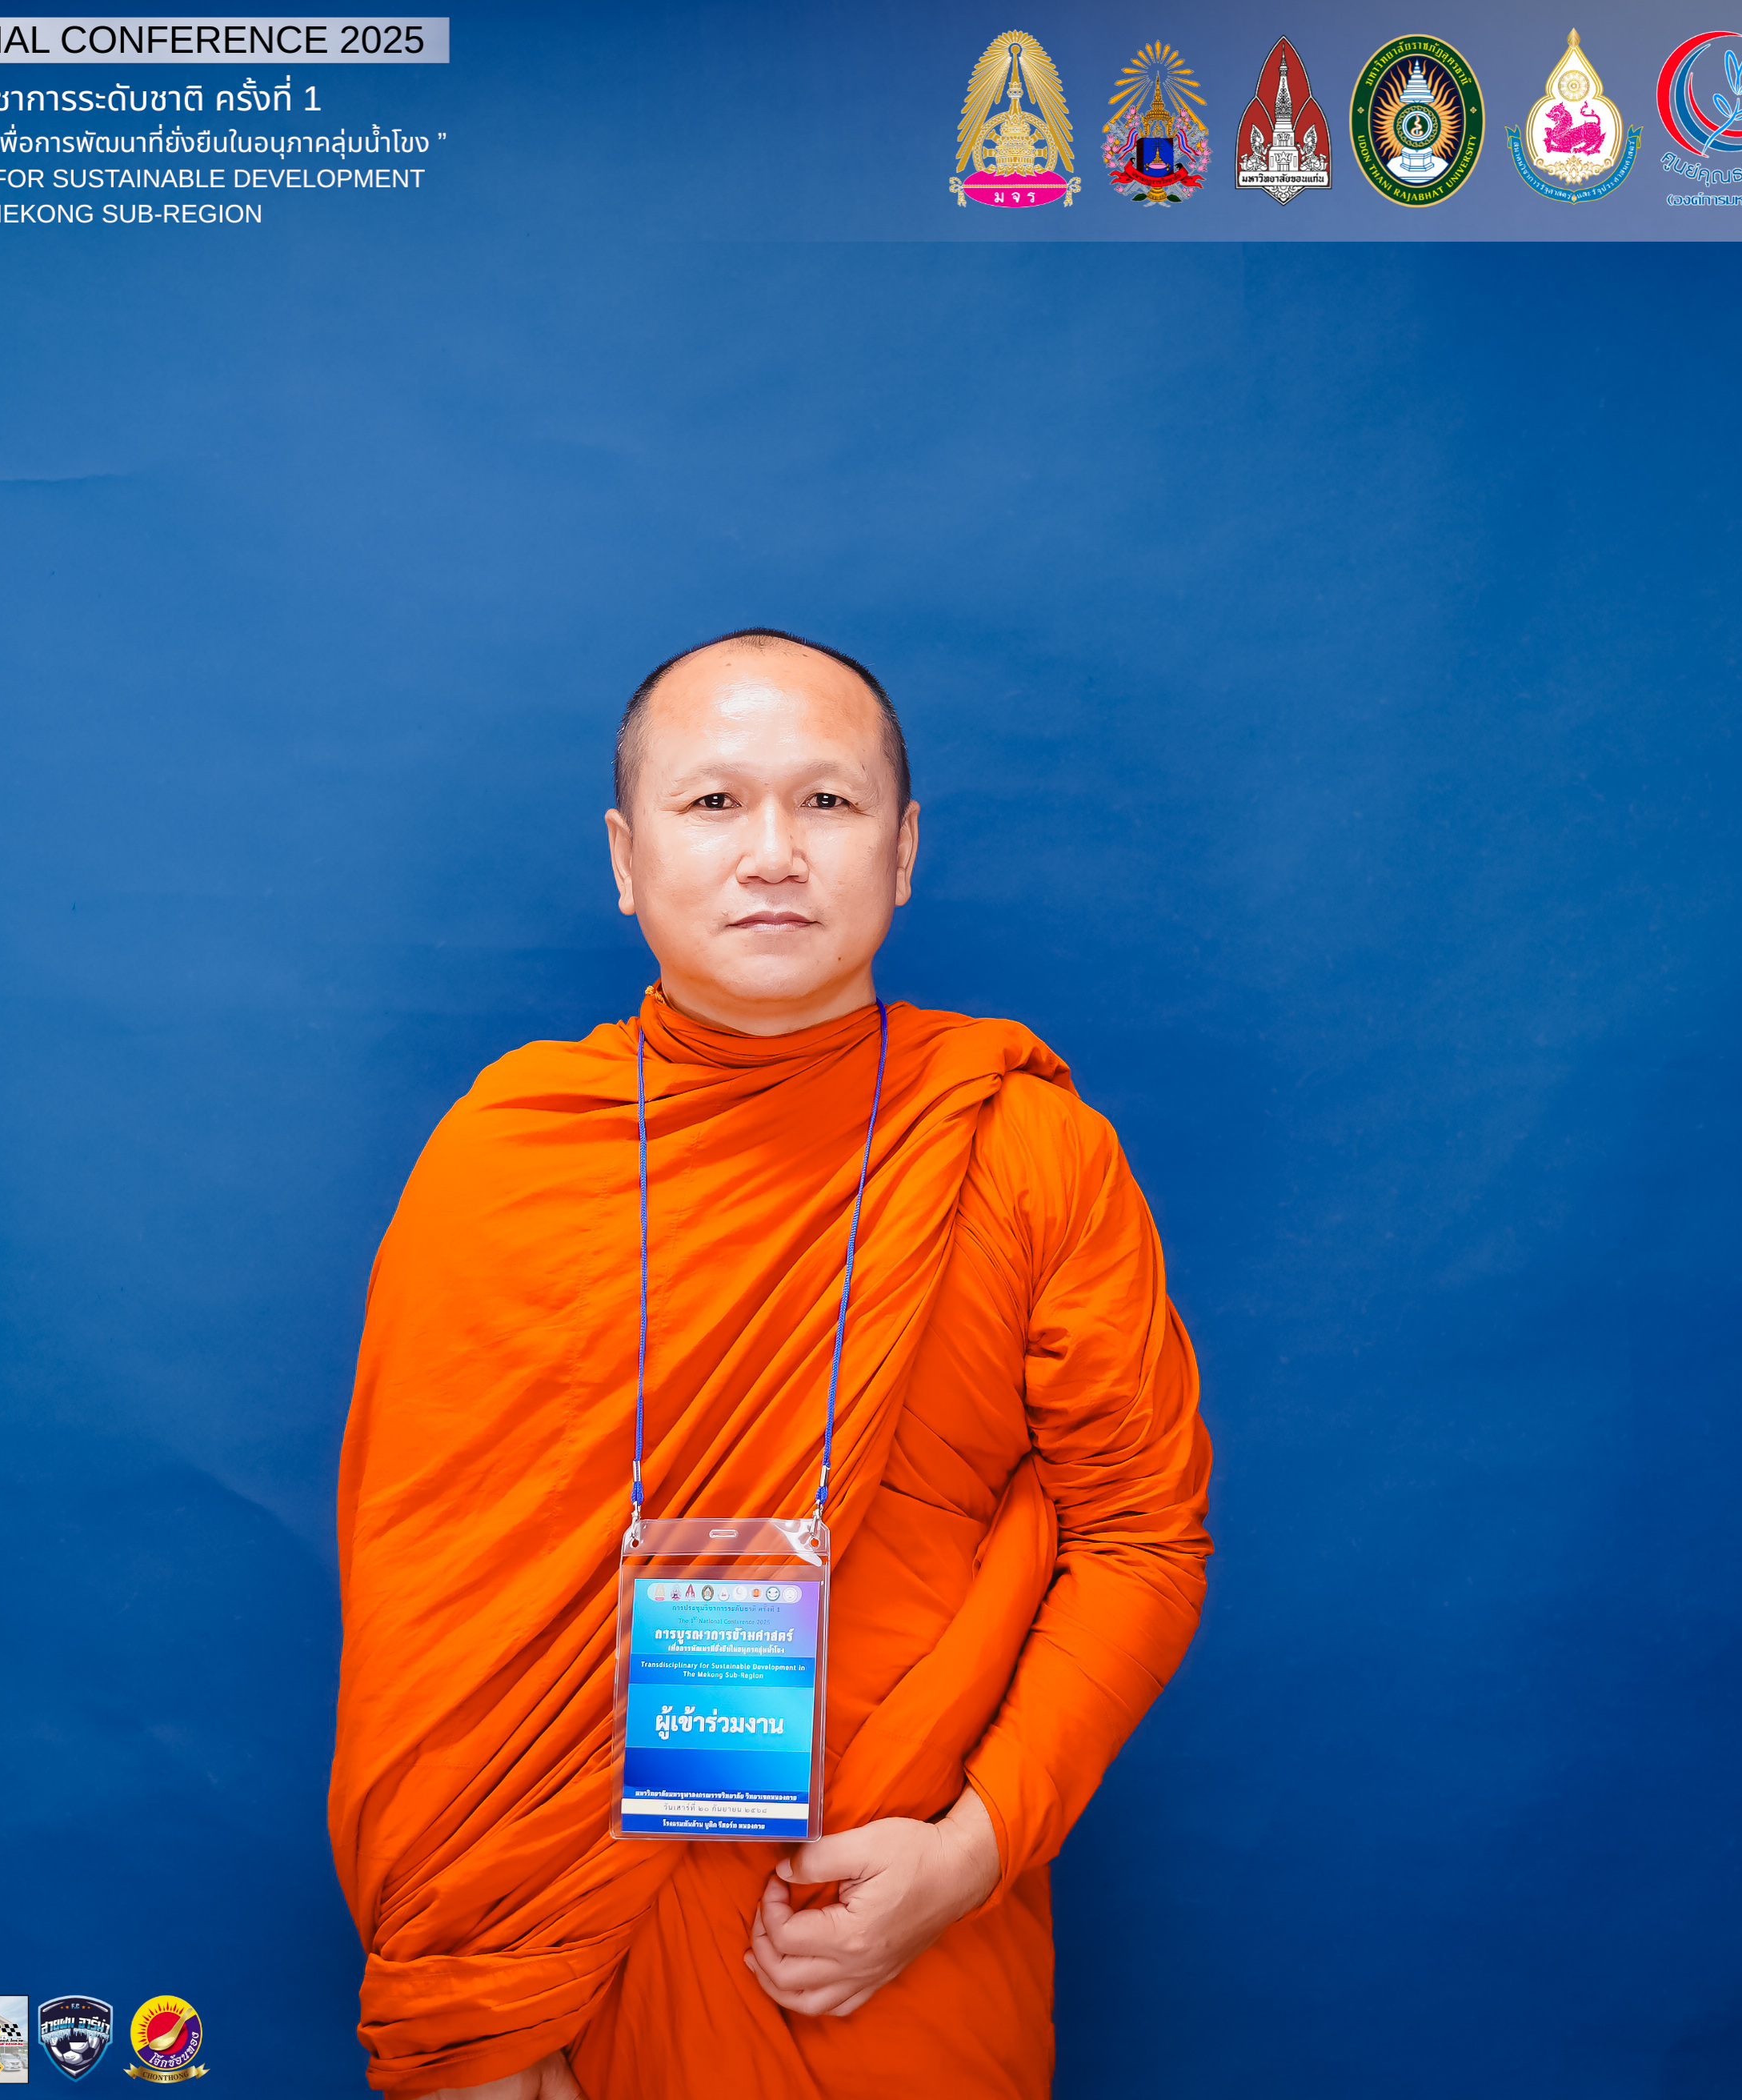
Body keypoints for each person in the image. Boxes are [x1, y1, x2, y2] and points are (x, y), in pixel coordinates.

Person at [330, 630, 1213, 2098]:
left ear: (903, 850)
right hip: (561, 1940)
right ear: (626, 859)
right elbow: (422, 1619)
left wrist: (973, 1851)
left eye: (828, 802)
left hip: (892, 1917)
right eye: (713, 803)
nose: (774, 855)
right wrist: (482, 2015)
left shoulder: (1022, 1149)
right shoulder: (504, 1162)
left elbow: (1140, 1537)